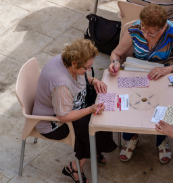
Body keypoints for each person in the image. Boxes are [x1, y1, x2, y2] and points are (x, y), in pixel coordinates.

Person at [109, 4, 173, 163]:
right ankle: (131, 137)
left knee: (165, 104)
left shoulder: (171, 32)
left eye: (151, 31)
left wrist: (168, 69)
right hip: (137, 71)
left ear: (162, 26)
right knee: (126, 102)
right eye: (143, 28)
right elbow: (116, 53)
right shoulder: (135, 28)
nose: (145, 33)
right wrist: (115, 63)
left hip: (163, 71)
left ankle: (162, 140)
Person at [32, 39, 117, 183]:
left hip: (68, 107)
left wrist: (94, 81)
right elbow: (63, 116)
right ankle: (75, 167)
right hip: (53, 124)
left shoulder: (67, 60)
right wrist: (90, 109)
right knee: (92, 126)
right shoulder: (61, 85)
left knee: (101, 115)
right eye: (87, 67)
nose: (89, 70)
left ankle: (94, 150)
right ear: (74, 64)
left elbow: (82, 74)